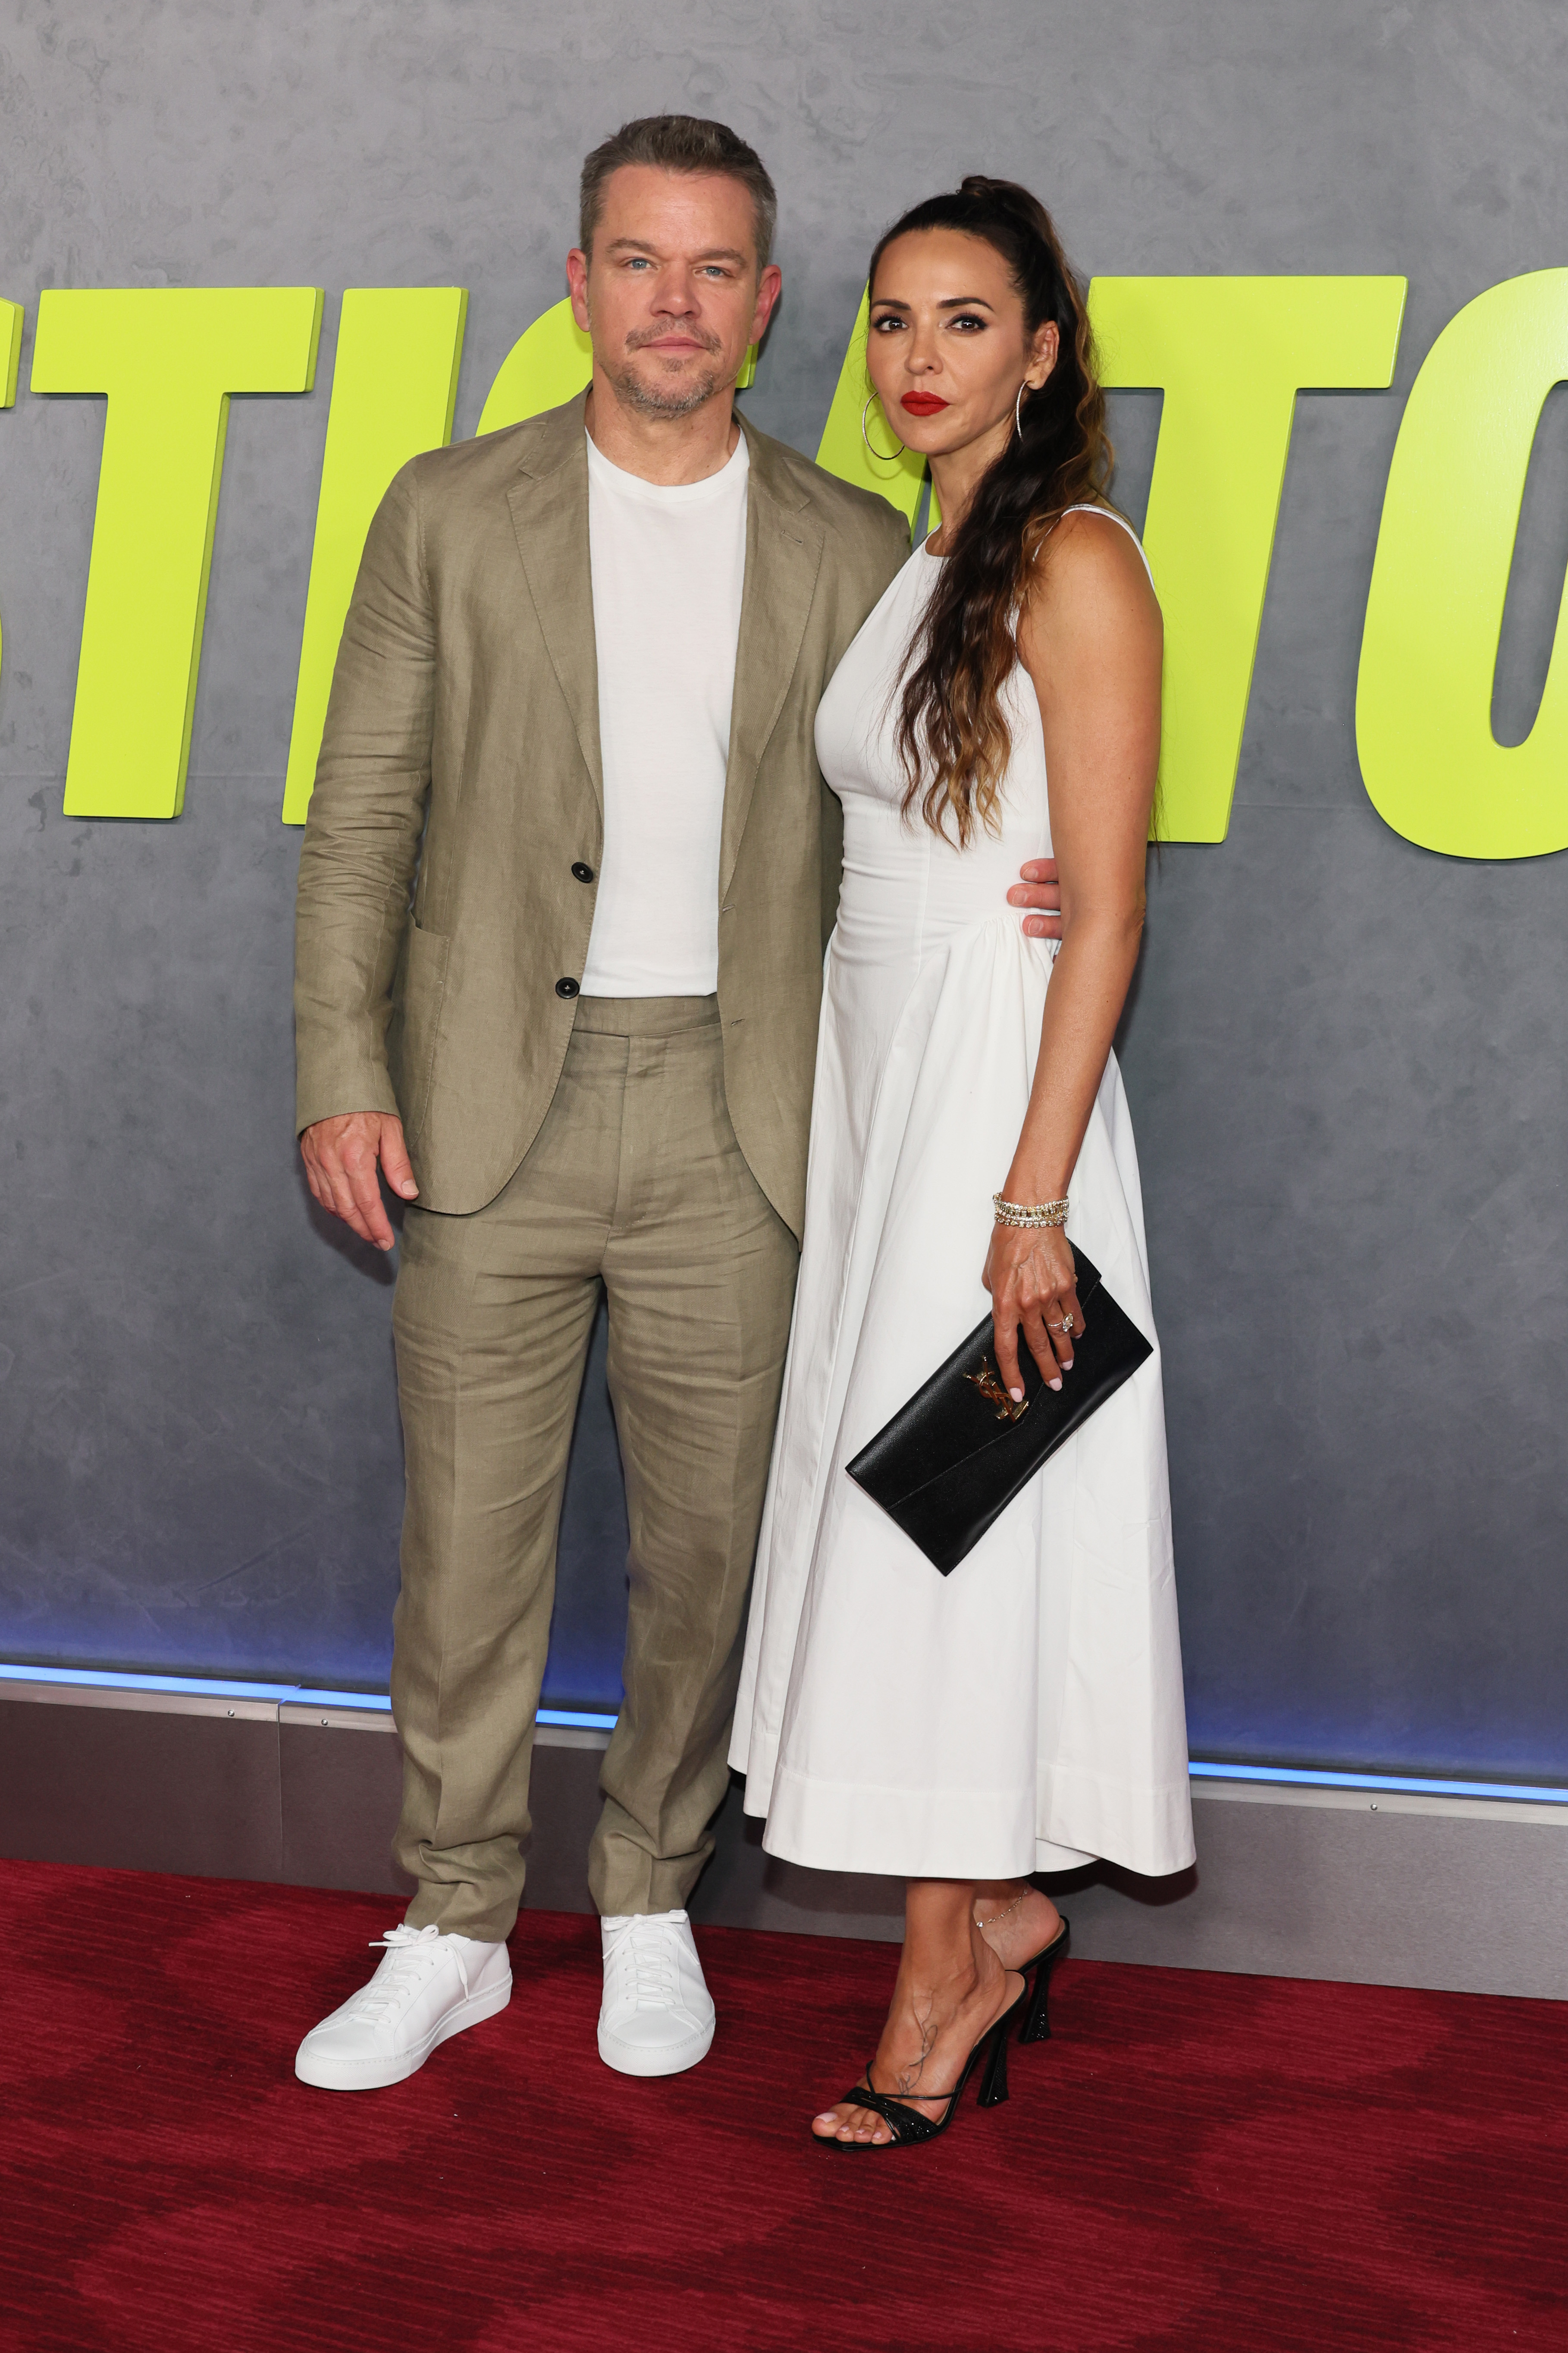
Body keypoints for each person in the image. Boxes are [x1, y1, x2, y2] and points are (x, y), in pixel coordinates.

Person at [290, 118, 1064, 2092]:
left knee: (713, 1549)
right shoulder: (444, 511)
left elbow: (949, 771)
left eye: (717, 269)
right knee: (469, 1546)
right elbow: (362, 814)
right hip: (487, 1112)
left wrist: (1043, 870)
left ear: (766, 303)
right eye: (639, 261)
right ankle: (452, 1917)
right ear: (578, 283)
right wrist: (338, 1069)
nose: (675, 302)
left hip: (743, 1114)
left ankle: (650, 1891)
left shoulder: (846, 539)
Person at [730, 177, 1196, 2149]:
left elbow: (1101, 906)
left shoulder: (1077, 557)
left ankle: (954, 1963)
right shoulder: (921, 557)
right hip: (882, 1071)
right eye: (897, 322)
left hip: (1003, 1098)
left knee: (949, 1517)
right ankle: (988, 1910)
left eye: (966, 320)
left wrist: (1034, 1202)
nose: (920, 357)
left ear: (1045, 346)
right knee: (909, 1508)